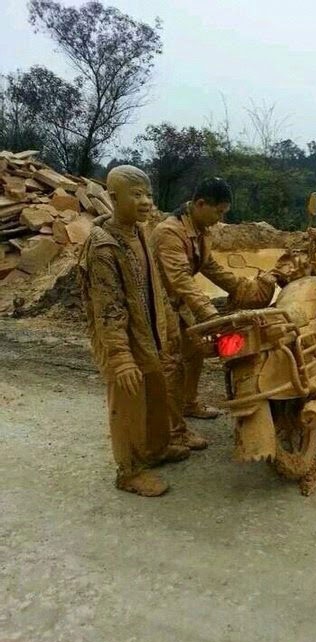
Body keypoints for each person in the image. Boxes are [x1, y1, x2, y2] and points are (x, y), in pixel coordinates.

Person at [78, 165, 193, 497]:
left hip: (148, 337)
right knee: (128, 404)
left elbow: (155, 286)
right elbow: (108, 309)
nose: (146, 202)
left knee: (156, 394)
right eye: (137, 195)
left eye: (149, 194)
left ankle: (155, 449)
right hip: (122, 343)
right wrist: (121, 358)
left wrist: (168, 325)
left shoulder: (140, 233)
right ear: (114, 198)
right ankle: (128, 471)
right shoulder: (103, 248)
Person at [151, 177, 254, 421]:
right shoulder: (169, 232)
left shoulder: (200, 231)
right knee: (171, 362)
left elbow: (209, 266)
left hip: (179, 302)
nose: (220, 218)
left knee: (195, 352)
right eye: (218, 212)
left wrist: (241, 288)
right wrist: (211, 315)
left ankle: (188, 404)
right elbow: (181, 279)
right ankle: (169, 423)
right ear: (200, 204)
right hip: (158, 303)